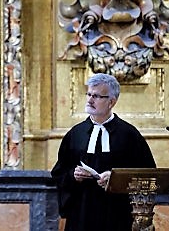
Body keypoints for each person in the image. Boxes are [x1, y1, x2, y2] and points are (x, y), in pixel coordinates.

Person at [51, 73, 156, 230]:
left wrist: (116, 179)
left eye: (97, 96)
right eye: (89, 94)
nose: (90, 100)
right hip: (82, 213)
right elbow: (59, 173)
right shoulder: (76, 133)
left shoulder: (129, 135)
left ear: (111, 102)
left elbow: (148, 175)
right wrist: (73, 175)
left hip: (117, 213)